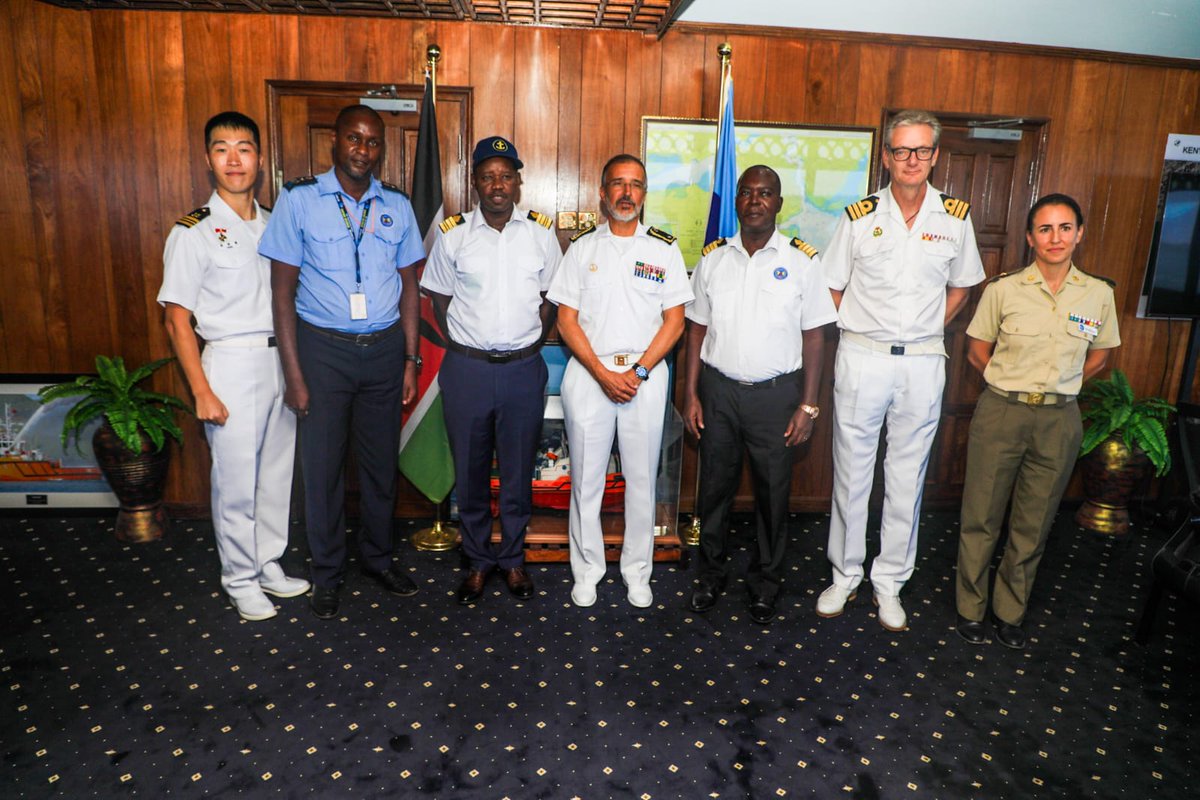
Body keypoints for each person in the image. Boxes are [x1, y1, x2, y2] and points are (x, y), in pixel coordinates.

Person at [819, 109, 985, 632]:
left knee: (906, 475)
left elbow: (963, 284)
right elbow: (831, 283)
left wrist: (929, 324)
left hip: (921, 361)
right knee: (851, 471)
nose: (911, 160)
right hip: (862, 356)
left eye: (921, 151)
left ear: (935, 156)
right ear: (886, 157)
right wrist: (856, 326)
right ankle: (844, 575)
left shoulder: (955, 218)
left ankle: (889, 582)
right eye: (901, 151)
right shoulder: (857, 215)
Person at [259, 104, 425, 620]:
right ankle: (326, 573)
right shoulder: (299, 200)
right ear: (335, 141)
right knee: (323, 469)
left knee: (380, 468)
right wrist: (294, 373)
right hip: (322, 350)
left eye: (373, 142)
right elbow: (281, 293)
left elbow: (410, 289)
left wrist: (410, 359)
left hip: (382, 351)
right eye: (354, 139)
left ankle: (378, 558)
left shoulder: (396, 205)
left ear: (382, 149)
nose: (363, 149)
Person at [158, 111, 309, 622]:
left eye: (244, 149)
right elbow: (178, 320)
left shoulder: (275, 224)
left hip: (279, 360)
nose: (234, 160)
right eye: (222, 149)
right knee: (237, 480)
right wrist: (200, 389)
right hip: (230, 362)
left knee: (275, 475)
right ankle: (239, 578)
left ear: (260, 158)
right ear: (208, 160)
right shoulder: (193, 232)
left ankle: (267, 562)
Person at [955, 194, 1119, 649]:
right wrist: (1008, 382)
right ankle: (971, 608)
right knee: (981, 517)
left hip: (1059, 420)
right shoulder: (1003, 289)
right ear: (1030, 237)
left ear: (1079, 233)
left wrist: (1063, 383)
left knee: (1034, 521)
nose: (1055, 238)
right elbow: (976, 350)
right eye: (1045, 229)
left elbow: (1101, 355)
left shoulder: (1098, 293)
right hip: (1002, 412)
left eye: (1065, 228)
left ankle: (1010, 611)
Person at [683, 165, 838, 624]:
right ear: (736, 201)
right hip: (718, 394)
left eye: (765, 193)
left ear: (778, 204)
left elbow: (815, 336)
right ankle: (710, 576)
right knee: (714, 490)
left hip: (776, 397)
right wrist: (690, 394)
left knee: (773, 496)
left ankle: (766, 584)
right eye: (747, 193)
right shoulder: (712, 259)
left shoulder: (804, 261)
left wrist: (808, 405)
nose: (755, 201)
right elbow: (696, 330)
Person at [420, 136, 561, 605]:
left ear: (518, 182)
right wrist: (467, 345)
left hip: (523, 369)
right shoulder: (452, 233)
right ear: (475, 182)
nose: (497, 185)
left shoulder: (541, 233)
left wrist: (529, 346)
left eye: (506, 175)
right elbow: (438, 300)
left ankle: (514, 560)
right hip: (468, 371)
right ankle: (479, 561)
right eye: (488, 176)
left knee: (520, 471)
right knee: (471, 469)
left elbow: (551, 301)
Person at [547, 154, 693, 608]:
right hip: (590, 373)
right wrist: (601, 372)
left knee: (641, 479)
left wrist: (639, 372)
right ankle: (587, 571)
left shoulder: (664, 249)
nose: (627, 193)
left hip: (644, 375)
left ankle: (637, 572)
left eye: (636, 185)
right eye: (618, 184)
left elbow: (676, 322)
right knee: (586, 481)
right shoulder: (582, 247)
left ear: (645, 195)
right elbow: (565, 320)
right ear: (602, 192)